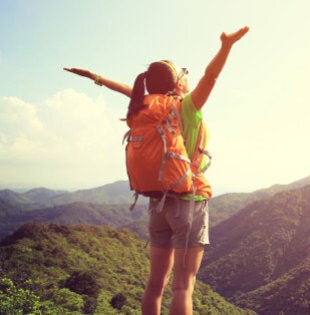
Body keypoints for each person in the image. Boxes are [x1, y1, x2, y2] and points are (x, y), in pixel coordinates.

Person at [65, 26, 249, 315]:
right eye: (182, 72)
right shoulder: (185, 107)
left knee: (154, 285)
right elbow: (210, 76)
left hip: (156, 203)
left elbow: (129, 89)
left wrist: (96, 78)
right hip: (188, 202)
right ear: (177, 84)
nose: (187, 75)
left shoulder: (144, 106)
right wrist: (226, 46)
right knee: (183, 287)